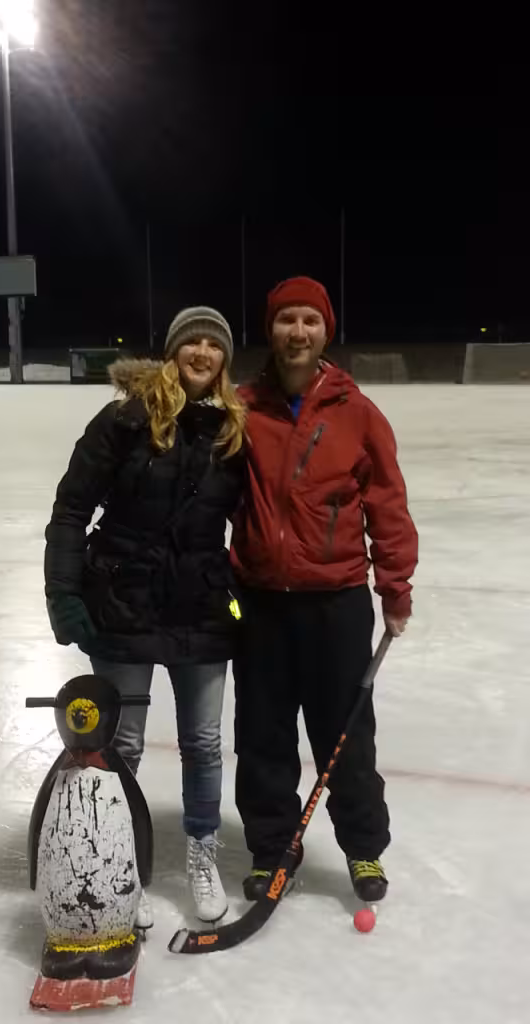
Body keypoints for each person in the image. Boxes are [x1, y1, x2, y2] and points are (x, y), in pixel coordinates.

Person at [44, 307, 245, 925]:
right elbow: (72, 508)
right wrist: (64, 594)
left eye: (215, 344)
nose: (203, 352)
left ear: (225, 360)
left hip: (200, 605)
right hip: (124, 601)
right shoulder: (126, 419)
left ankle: (202, 852)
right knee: (122, 743)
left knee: (204, 742)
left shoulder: (233, 430)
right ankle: (116, 858)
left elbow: (263, 521)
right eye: (193, 342)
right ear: (172, 352)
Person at [231, 276, 418, 905]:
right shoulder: (243, 408)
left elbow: (387, 504)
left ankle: (363, 847)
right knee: (262, 734)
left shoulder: (356, 412)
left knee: (345, 735)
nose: (298, 332)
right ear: (271, 330)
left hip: (336, 600)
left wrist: (395, 586)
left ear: (325, 332)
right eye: (287, 320)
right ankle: (271, 850)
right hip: (259, 601)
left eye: (310, 320)